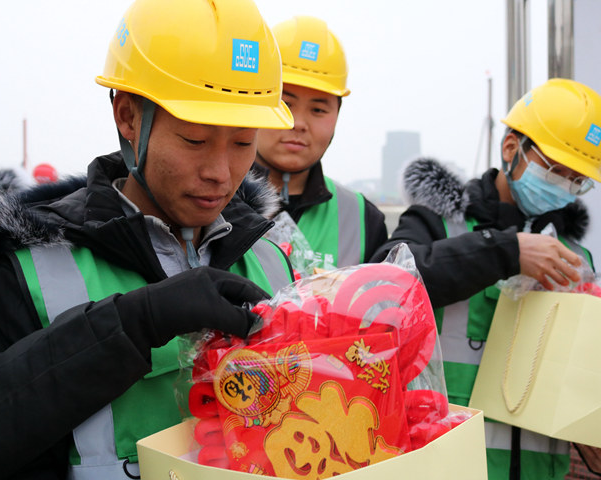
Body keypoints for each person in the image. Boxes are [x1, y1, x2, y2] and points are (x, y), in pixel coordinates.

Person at [0, 2, 269, 480]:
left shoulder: (273, 257)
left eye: (243, 142)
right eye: (194, 140)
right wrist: (132, 325)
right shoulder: (31, 269)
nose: (220, 171)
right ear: (128, 118)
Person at [371, 78, 601, 480]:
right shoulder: (438, 222)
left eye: (576, 179)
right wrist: (505, 251)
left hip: (540, 469)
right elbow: (381, 286)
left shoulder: (576, 259)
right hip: (444, 462)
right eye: (554, 170)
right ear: (511, 148)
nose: (564, 187)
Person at [254, 16, 387, 272]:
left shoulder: (361, 218)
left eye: (317, 109)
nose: (298, 123)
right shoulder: (211, 200)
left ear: (338, 113)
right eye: (286, 104)